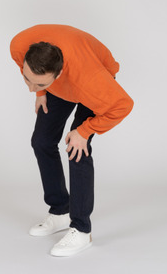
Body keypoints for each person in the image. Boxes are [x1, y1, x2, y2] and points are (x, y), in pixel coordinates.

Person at [10, 24, 134, 257]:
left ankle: (81, 229)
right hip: (64, 78)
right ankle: (60, 211)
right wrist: (41, 91)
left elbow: (123, 105)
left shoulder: (90, 80)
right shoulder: (19, 46)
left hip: (93, 73)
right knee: (42, 141)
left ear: (59, 74)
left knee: (77, 149)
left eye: (39, 83)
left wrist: (85, 131)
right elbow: (32, 75)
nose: (29, 88)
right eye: (27, 79)